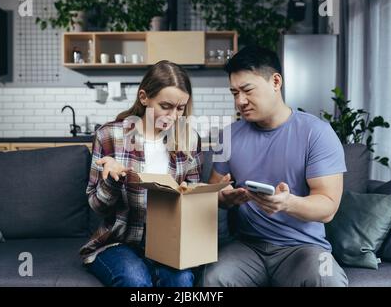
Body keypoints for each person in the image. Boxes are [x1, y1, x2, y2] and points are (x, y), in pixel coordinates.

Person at [200, 46, 349, 287]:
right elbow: (211, 192)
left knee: (326, 279)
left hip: (302, 248)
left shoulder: (317, 133)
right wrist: (223, 198)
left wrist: (288, 203)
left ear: (276, 81)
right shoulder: (227, 136)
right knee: (214, 278)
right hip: (247, 246)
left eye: (247, 90)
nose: (240, 101)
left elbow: (327, 207)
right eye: (234, 93)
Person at [79, 60, 202, 287]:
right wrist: (113, 181)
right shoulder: (109, 135)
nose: (174, 116)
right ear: (144, 97)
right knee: (135, 280)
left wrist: (203, 197)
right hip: (119, 242)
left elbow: (194, 199)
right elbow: (96, 206)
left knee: (182, 281)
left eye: (180, 108)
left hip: (168, 243)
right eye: (166, 106)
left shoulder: (189, 139)